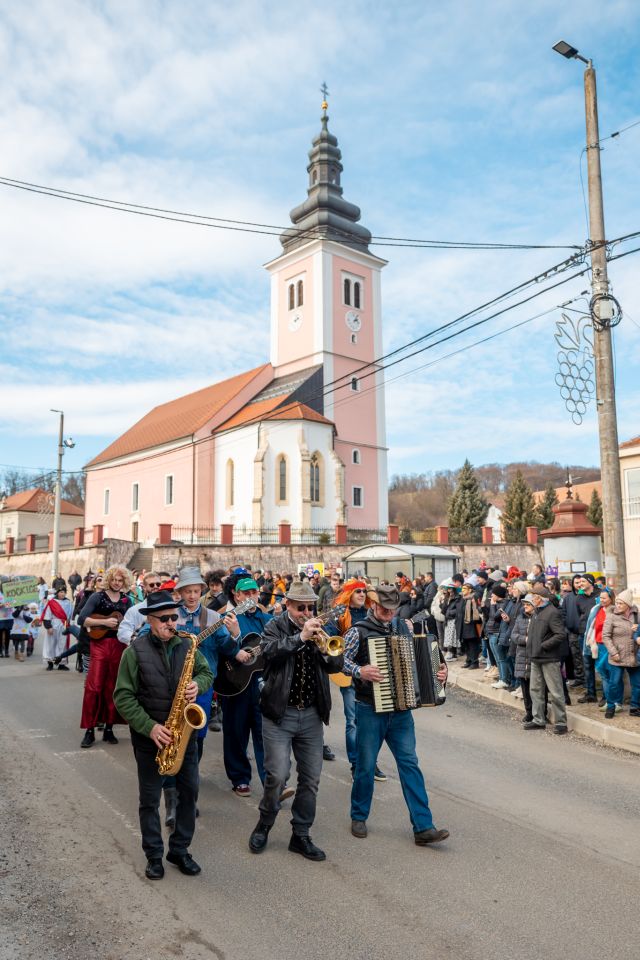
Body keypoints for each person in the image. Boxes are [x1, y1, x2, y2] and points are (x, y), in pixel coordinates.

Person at [113, 590, 213, 879]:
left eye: (174, 616)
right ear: (150, 620)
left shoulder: (188, 645)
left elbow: (206, 673)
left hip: (184, 735)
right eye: (165, 618)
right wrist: (150, 727)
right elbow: (123, 697)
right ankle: (154, 855)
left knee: (189, 793)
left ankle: (179, 850)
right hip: (151, 737)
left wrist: (198, 684)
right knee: (149, 798)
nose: (172, 622)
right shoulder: (134, 652)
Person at [342, 585, 449, 845]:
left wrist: (439, 673)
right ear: (373, 605)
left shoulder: (404, 627)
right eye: (385, 609)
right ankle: (358, 815)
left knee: (410, 764)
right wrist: (360, 671)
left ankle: (424, 827)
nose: (390, 613)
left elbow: (427, 658)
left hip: (401, 711)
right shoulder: (358, 631)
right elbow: (340, 661)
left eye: (393, 609)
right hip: (370, 709)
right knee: (366, 766)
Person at [248, 581, 344, 861]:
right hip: (280, 713)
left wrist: (327, 651)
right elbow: (268, 654)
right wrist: (300, 638)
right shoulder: (274, 627)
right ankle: (265, 823)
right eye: (300, 607)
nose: (306, 612)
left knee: (311, 779)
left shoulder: (321, 630)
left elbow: (335, 666)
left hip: (311, 714)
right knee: (277, 775)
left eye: (309, 607)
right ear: (288, 605)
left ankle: (300, 834)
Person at [330, 579, 386, 780]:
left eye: (364, 591)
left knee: (372, 722)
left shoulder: (371, 613)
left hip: (370, 675)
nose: (362, 594)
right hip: (349, 674)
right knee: (353, 721)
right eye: (357, 591)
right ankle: (356, 765)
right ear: (348, 595)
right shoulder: (338, 614)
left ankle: (370, 763)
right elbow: (329, 643)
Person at [220, 576, 269, 797]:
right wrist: (236, 635)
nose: (250, 597)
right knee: (236, 732)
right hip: (234, 684)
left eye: (253, 593)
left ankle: (271, 780)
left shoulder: (267, 619)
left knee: (264, 733)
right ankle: (239, 778)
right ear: (236, 595)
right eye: (245, 594)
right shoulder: (226, 618)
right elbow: (219, 650)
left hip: (261, 685)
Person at [78, 565, 133, 747]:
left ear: (124, 582)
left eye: (120, 580)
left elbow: (132, 622)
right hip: (100, 645)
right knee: (94, 687)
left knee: (113, 687)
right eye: (114, 580)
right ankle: (89, 730)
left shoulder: (127, 600)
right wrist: (104, 622)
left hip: (119, 646)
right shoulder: (97, 597)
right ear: (109, 580)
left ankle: (109, 728)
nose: (117, 583)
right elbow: (82, 618)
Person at [522, 589, 568, 734]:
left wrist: (543, 646)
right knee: (535, 690)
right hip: (536, 657)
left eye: (533, 597)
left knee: (555, 692)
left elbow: (560, 634)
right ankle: (538, 720)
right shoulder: (537, 612)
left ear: (539, 598)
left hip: (549, 658)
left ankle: (561, 722)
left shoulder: (552, 612)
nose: (531, 599)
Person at [601, 589, 640, 719]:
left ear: (628, 604)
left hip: (633, 655)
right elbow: (605, 636)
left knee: (637, 683)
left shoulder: (637, 614)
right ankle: (611, 706)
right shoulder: (611, 616)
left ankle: (634, 707)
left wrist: (638, 629)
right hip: (616, 656)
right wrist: (613, 652)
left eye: (620, 603)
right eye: (616, 602)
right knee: (614, 683)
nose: (617, 605)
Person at [118, 571, 164, 644]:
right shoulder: (134, 610)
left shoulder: (169, 608)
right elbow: (123, 632)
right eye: (151, 585)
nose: (155, 586)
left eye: (158, 584)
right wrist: (138, 641)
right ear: (145, 588)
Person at [41, 587, 73, 670]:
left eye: (64, 592)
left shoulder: (68, 602)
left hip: (64, 625)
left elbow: (69, 616)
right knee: (51, 644)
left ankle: (61, 663)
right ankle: (50, 663)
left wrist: (67, 626)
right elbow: (47, 614)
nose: (63, 594)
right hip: (54, 625)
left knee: (62, 644)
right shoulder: (52, 603)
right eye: (61, 592)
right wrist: (48, 627)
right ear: (57, 593)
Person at [0, 591, 14, 658]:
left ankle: (6, 651)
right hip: (0, 618)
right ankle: (0, 652)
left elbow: (15, 602)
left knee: (7, 635)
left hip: (9, 617)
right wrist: (2, 605)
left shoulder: (10, 592)